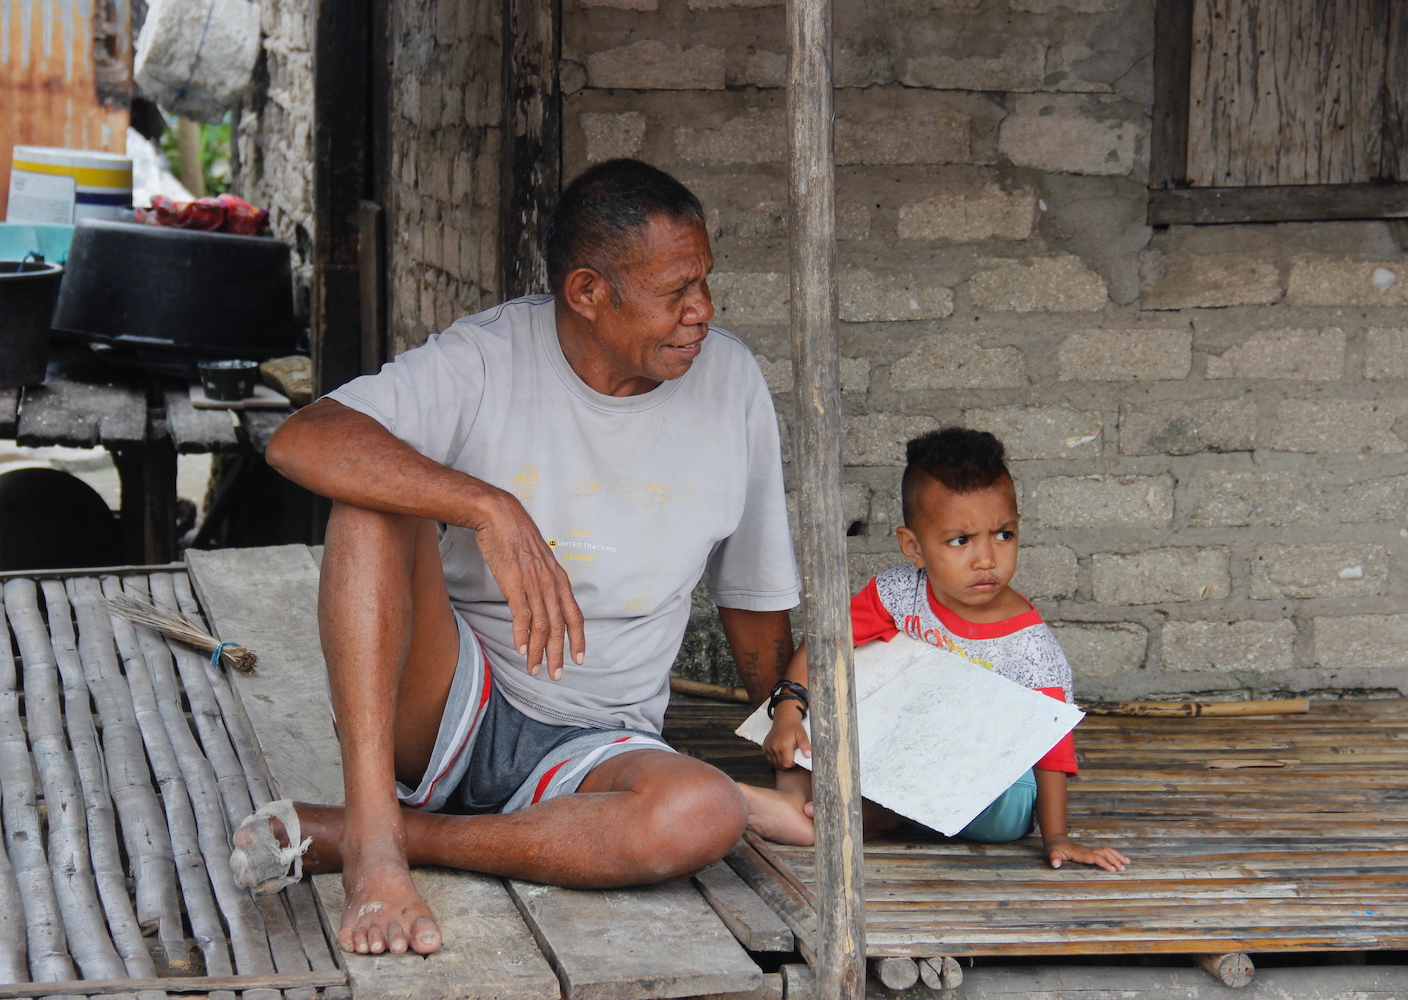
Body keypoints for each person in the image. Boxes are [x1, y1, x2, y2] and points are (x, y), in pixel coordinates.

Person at [229, 159, 800, 957]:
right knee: (368, 499)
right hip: (449, 700)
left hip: (601, 742)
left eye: (703, 283)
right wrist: (487, 506)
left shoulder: (731, 383)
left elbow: (752, 593)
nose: (701, 310)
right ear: (588, 292)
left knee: (704, 813)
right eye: (676, 291)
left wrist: (792, 747)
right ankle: (376, 845)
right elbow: (305, 440)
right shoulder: (488, 357)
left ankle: (379, 833)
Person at [741, 427, 1129, 873]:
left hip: (994, 793)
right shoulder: (899, 594)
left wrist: (1057, 836)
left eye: (1003, 535)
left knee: (985, 776)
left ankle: (853, 817)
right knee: (828, 689)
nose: (986, 559)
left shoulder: (1032, 648)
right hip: (904, 752)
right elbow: (825, 645)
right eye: (961, 540)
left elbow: (1051, 745)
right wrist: (788, 713)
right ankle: (792, 799)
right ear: (914, 547)